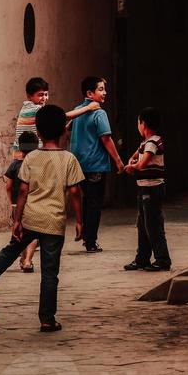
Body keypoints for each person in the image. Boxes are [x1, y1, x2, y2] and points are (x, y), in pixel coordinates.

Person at [0, 104, 84, 333]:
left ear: (38, 132)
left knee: (9, 252)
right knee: (50, 273)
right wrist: (80, 221)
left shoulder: (31, 159)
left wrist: (17, 219)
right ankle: (47, 319)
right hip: (54, 222)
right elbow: (75, 192)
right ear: (63, 131)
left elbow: (22, 191)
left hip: (31, 218)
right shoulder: (69, 159)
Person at [69, 76, 125, 253]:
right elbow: (106, 139)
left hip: (78, 165)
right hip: (95, 165)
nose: (105, 92)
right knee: (94, 204)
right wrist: (118, 161)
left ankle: (87, 237)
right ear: (89, 93)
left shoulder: (78, 111)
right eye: (100, 89)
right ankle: (91, 241)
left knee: (87, 201)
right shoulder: (99, 113)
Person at [123, 107, 172, 272]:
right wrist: (133, 159)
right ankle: (142, 259)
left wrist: (132, 167)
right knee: (143, 225)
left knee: (153, 226)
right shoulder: (146, 142)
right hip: (144, 189)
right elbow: (136, 155)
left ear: (142, 124)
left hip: (152, 189)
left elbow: (142, 163)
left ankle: (162, 259)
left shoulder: (152, 142)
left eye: (138, 122)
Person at [13, 76, 98, 149]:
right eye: (40, 95)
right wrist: (88, 107)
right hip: (29, 154)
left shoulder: (25, 107)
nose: (44, 98)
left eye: (46, 94)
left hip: (21, 153)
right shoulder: (36, 109)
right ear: (29, 96)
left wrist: (66, 126)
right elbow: (61, 116)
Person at [4, 130, 39, 272]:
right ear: (37, 146)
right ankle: (28, 260)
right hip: (34, 203)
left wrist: (11, 202)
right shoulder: (38, 165)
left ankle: (23, 257)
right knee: (34, 233)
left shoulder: (14, 165)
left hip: (17, 204)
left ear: (20, 147)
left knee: (20, 232)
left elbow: (8, 186)